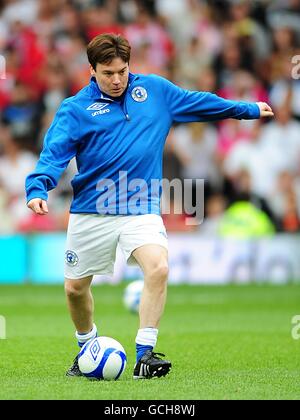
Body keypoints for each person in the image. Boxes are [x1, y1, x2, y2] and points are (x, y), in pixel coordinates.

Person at [25, 33, 274, 380]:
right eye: (107, 72)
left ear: (130, 66)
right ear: (92, 70)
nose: (116, 80)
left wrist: (246, 109)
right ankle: (87, 347)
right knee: (75, 289)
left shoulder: (154, 92)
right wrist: (38, 188)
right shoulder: (75, 110)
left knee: (157, 268)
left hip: (140, 207)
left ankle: (145, 355)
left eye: (122, 71)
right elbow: (53, 156)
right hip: (92, 210)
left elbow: (198, 102)